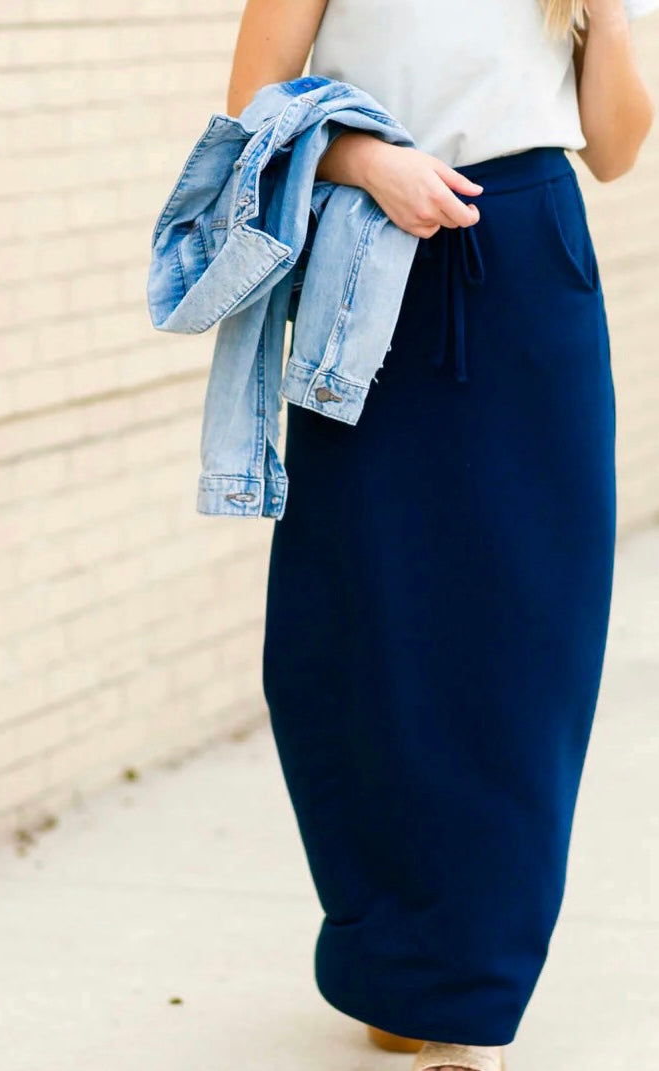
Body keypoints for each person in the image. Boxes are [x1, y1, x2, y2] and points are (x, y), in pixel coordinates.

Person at [227, 2, 657, 1069]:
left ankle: (465, 1000)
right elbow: (250, 105)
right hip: (371, 270)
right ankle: (405, 961)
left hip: (530, 263)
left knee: (525, 643)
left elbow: (617, 147)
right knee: (351, 636)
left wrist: (605, 16)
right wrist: (368, 162)